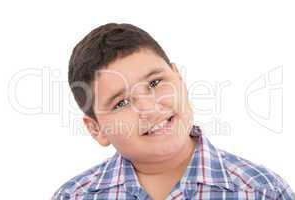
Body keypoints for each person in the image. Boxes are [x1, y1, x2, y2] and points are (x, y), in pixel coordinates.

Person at [52, 23, 294, 200]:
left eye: (155, 83)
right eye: (121, 103)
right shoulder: (73, 196)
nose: (149, 107)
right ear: (97, 129)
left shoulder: (263, 190)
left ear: (179, 79)